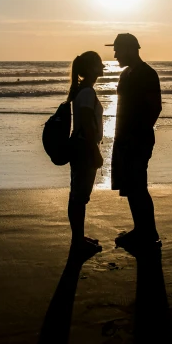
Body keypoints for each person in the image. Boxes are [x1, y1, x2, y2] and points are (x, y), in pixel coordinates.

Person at [106, 33, 162, 252]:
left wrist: (137, 135)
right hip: (124, 139)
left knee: (139, 187)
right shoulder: (126, 74)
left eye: (118, 49)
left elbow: (155, 107)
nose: (115, 54)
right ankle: (141, 229)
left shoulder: (147, 74)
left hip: (138, 140)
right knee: (131, 186)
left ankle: (149, 232)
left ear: (130, 49)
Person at [66, 51, 105, 256]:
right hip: (84, 148)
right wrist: (95, 151)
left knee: (78, 195)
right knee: (80, 197)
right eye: (99, 62)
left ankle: (78, 239)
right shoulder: (87, 93)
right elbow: (88, 126)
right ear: (91, 69)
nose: (102, 65)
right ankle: (78, 242)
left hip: (81, 146)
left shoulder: (83, 91)